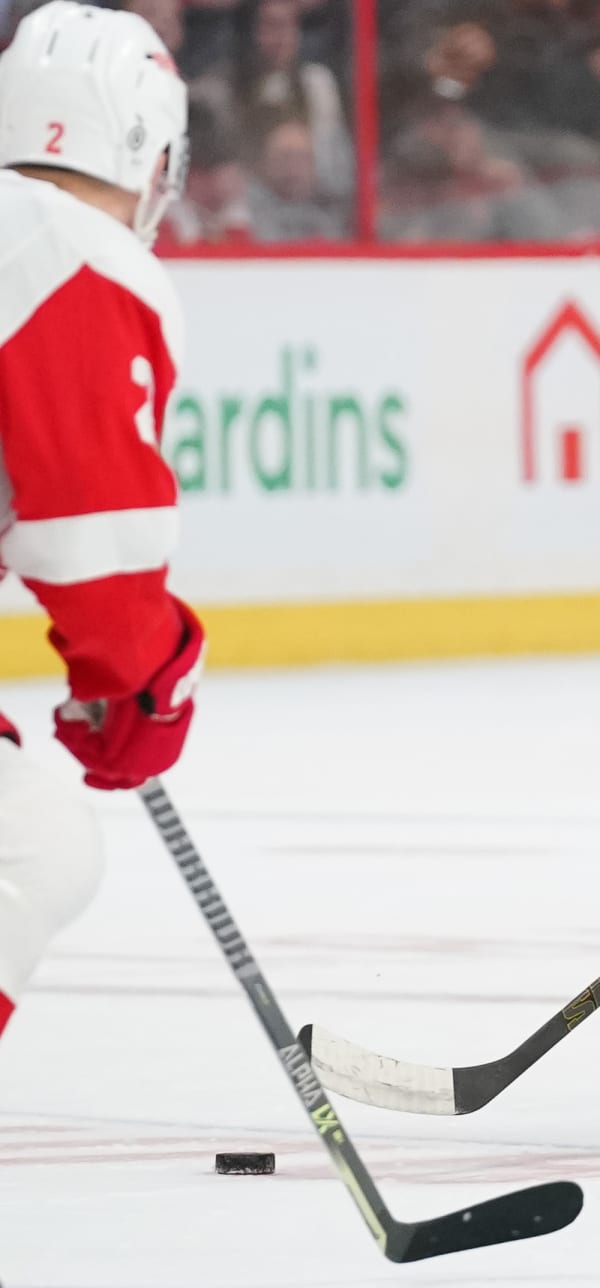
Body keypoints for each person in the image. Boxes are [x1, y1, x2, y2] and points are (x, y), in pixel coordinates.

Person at [0, 2, 205, 1043]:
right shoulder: (75, 255)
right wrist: (138, 675)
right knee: (32, 847)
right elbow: (90, 527)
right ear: (138, 140)